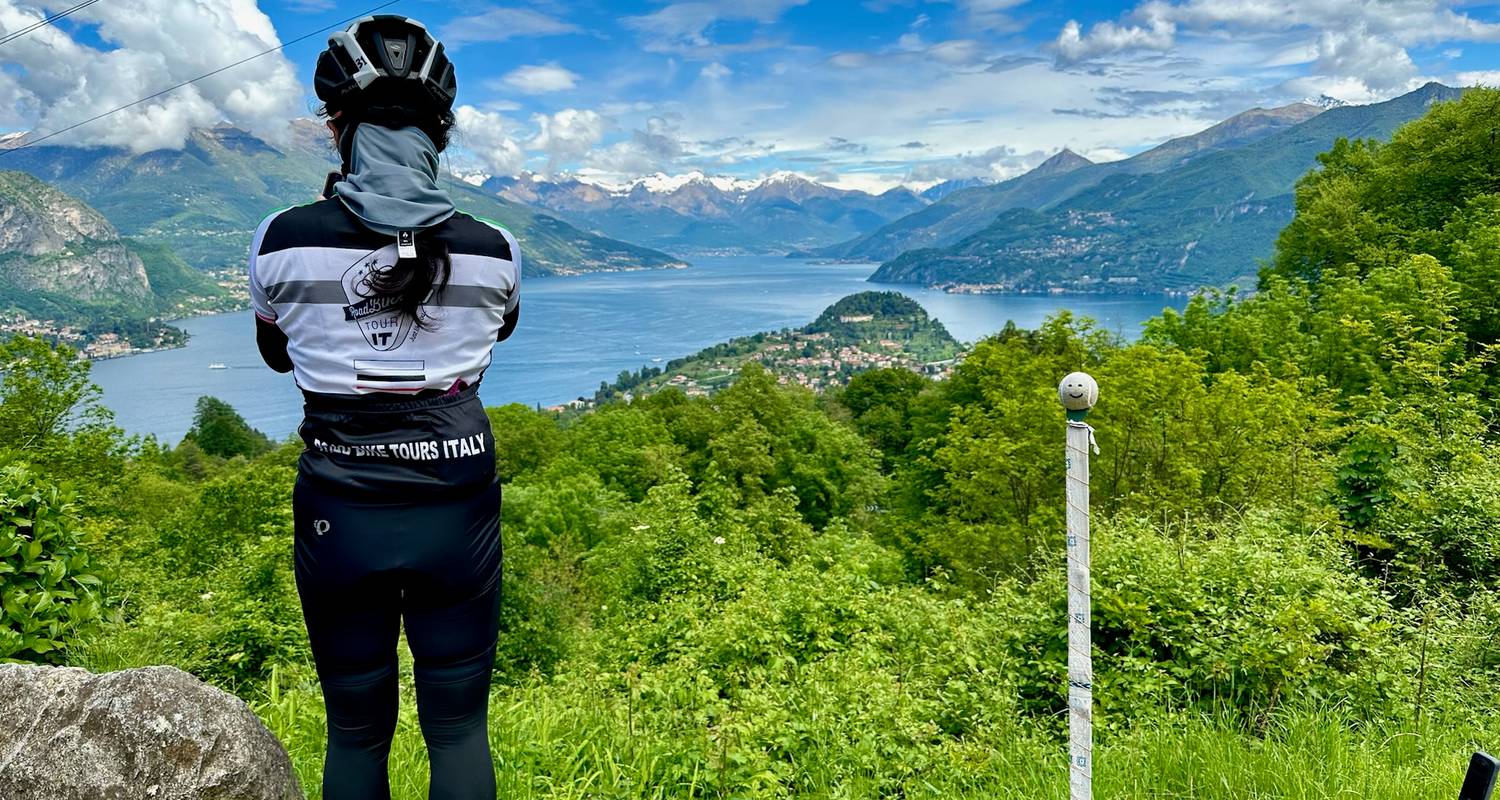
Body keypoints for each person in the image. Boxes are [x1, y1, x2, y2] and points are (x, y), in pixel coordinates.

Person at [247, 15, 519, 800]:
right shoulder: (496, 248)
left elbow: (278, 353)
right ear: (443, 132)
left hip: (341, 508)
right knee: (461, 731)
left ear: (338, 129)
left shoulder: (280, 240)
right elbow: (495, 330)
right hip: (455, 503)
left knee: (357, 736)